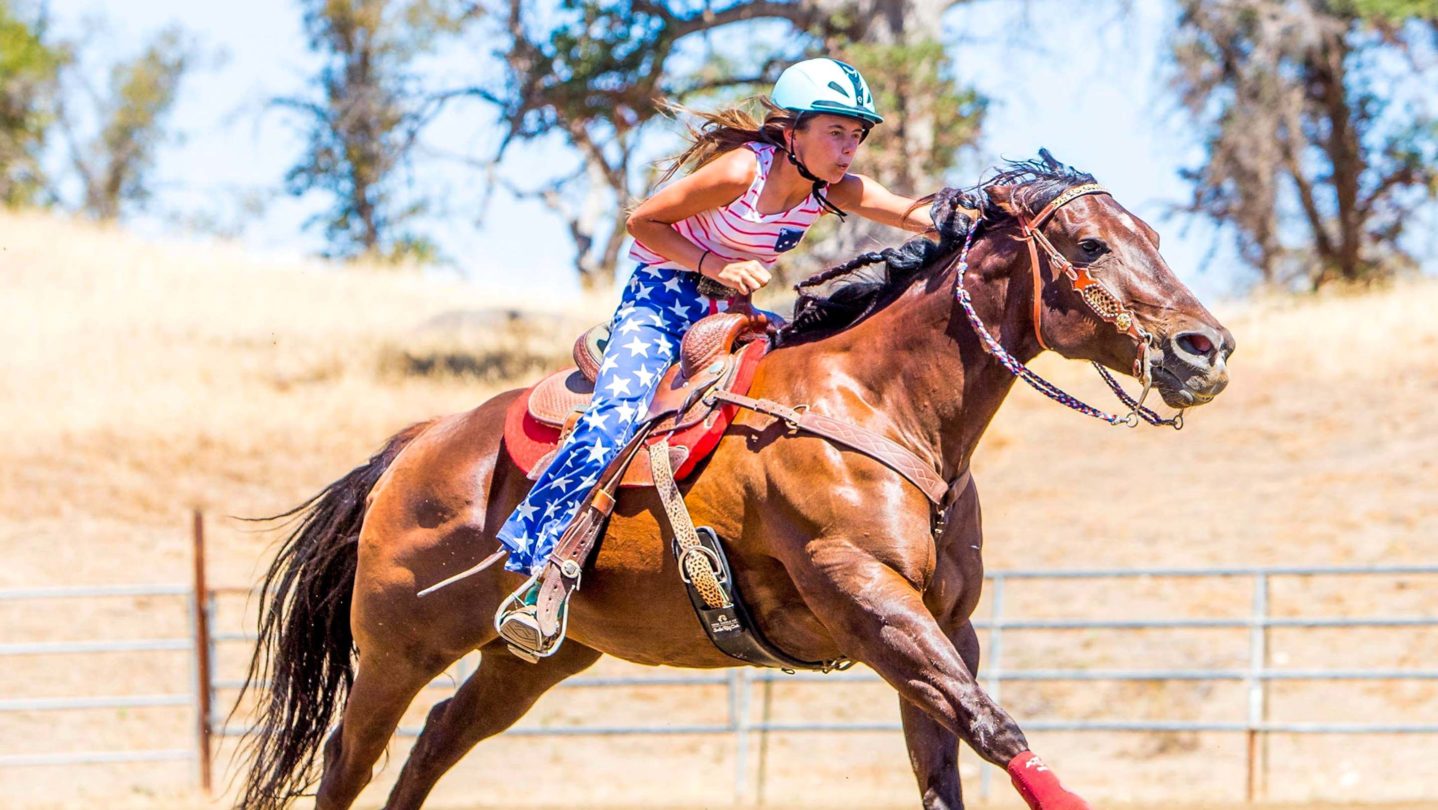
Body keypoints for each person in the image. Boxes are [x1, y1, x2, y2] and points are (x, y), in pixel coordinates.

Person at [495, 57, 936, 658]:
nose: (848, 147)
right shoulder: (738, 172)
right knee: (616, 415)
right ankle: (535, 563)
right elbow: (642, 222)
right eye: (836, 130)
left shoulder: (832, 190)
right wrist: (714, 265)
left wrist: (995, 214)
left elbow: (914, 213)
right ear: (791, 134)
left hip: (731, 309)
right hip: (660, 300)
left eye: (856, 134)